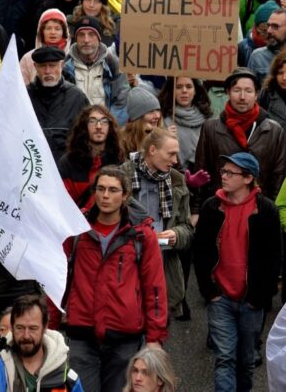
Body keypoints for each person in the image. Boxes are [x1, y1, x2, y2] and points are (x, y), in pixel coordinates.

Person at [60, 166, 168, 392]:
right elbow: (60, 277)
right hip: (82, 334)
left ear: (125, 195)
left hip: (124, 337)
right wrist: (50, 326)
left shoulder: (141, 234)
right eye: (100, 189)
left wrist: (154, 336)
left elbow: (154, 287)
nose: (105, 196)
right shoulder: (77, 230)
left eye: (112, 190)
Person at [194, 152, 281, 392]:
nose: (223, 176)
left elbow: (274, 257)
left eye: (230, 173)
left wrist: (260, 297)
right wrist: (208, 291)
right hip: (219, 296)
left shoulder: (266, 210)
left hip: (251, 300)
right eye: (223, 171)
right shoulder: (212, 207)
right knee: (224, 358)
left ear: (248, 178)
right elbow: (200, 251)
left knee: (246, 361)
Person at [120, 128, 193, 321]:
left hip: (161, 270)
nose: (176, 160)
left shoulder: (177, 180)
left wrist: (176, 234)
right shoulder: (121, 177)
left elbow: (187, 227)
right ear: (152, 150)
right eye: (171, 154)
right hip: (125, 269)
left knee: (156, 341)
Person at [195, 67, 286, 202]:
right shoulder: (211, 128)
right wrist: (197, 209)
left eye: (248, 91)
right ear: (228, 92)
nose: (242, 97)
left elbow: (278, 177)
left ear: (256, 94)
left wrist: (271, 211)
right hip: (219, 206)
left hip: (258, 209)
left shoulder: (274, 130)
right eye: (237, 90)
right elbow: (201, 172)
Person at [0, 294, 83, 392]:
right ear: (12, 328)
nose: (26, 335)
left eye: (33, 328)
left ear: (44, 328)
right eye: (20, 328)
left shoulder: (65, 377)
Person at [63, 15, 130, 124]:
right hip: (75, 132)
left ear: (99, 38)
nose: (86, 40)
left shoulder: (114, 66)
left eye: (91, 34)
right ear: (75, 38)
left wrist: (108, 126)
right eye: (81, 35)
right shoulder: (64, 68)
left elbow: (122, 103)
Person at [59, 105, 126, 211]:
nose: (98, 126)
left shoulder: (119, 160)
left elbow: (125, 200)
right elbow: (62, 203)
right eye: (92, 121)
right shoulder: (68, 162)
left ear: (110, 127)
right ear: (84, 127)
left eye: (104, 121)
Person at [28, 46, 89, 160]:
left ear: (62, 65)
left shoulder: (77, 97)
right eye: (42, 66)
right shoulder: (25, 96)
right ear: (35, 67)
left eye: (52, 65)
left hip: (67, 168)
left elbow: (85, 138)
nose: (48, 71)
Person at [158, 78, 213, 172]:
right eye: (178, 87)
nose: (184, 91)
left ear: (195, 90)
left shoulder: (208, 119)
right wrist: (164, 138)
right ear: (172, 91)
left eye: (189, 86)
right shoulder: (162, 119)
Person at [248, 9, 286, 81]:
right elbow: (250, 88)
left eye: (275, 26)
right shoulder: (258, 56)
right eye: (268, 25)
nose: (269, 31)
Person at [19, 8, 66, 85]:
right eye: (48, 28)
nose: (53, 32)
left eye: (57, 29)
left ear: (64, 32)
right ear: (41, 31)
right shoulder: (28, 58)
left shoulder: (70, 56)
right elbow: (21, 88)